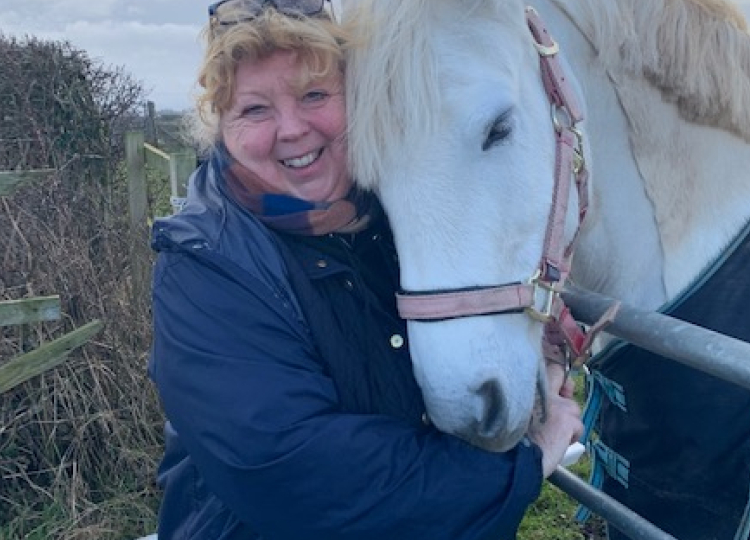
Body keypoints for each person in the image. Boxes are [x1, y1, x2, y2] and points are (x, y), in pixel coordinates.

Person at [148, 1, 583, 539]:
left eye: (314, 95)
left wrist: (532, 342)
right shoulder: (205, 268)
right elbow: (294, 474)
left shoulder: (382, 219)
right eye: (255, 110)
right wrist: (518, 467)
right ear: (220, 126)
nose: (291, 129)